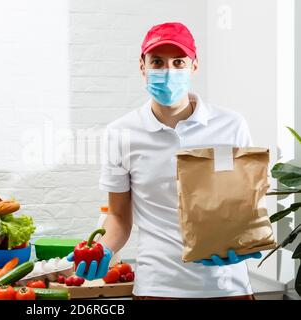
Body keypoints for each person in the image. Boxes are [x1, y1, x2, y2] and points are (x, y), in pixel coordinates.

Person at [67, 22, 261, 300]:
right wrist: (105, 249)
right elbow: (119, 216)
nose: (168, 71)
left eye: (178, 62)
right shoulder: (121, 133)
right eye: (157, 62)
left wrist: (244, 239)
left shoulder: (231, 125)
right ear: (142, 66)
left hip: (228, 288)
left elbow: (246, 205)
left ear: (194, 66)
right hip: (157, 289)